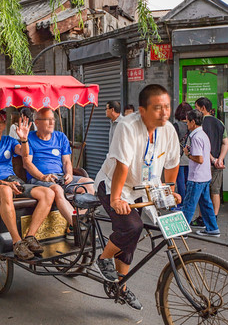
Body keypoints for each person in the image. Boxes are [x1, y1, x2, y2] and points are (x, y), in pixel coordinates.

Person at [93, 84, 181, 310]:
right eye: (157, 108)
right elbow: (122, 165)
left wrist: (170, 191)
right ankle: (103, 259)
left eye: (167, 107)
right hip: (115, 184)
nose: (164, 113)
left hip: (143, 187)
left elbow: (172, 163)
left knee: (130, 242)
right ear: (142, 111)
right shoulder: (127, 126)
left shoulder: (168, 130)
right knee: (132, 226)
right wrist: (115, 200)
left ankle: (120, 288)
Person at [0, 109, 55, 260]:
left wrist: (23, 139)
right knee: (6, 191)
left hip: (13, 180)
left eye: (1, 123)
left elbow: (24, 154)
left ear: (4, 125)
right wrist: (4, 183)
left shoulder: (9, 141)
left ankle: (30, 236)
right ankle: (17, 242)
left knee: (48, 193)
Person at [23, 108, 94, 238]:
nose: (52, 122)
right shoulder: (29, 139)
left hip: (60, 177)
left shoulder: (60, 137)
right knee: (56, 189)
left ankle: (76, 221)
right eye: (47, 120)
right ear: (37, 122)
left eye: (53, 119)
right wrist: (43, 176)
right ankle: (76, 224)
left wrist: (69, 174)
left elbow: (67, 161)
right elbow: (27, 164)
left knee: (89, 184)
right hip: (39, 179)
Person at [181, 110, 220, 237]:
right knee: (205, 203)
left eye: (187, 122)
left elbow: (199, 158)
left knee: (189, 204)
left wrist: (188, 154)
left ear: (193, 122)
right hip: (205, 175)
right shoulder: (203, 134)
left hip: (196, 176)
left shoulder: (196, 137)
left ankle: (183, 231)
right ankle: (212, 228)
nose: (187, 124)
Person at [193, 97, 228, 225]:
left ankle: (202, 218)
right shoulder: (220, 123)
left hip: (205, 163)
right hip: (217, 164)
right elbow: (226, 142)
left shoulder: (200, 123)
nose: (195, 110)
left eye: (196, 107)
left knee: (204, 191)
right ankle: (214, 217)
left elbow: (202, 146)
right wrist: (220, 159)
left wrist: (213, 159)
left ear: (203, 108)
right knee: (215, 191)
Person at [173, 102, 193, 211]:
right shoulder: (193, 125)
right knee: (188, 181)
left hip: (179, 156)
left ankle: (181, 204)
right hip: (190, 156)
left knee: (180, 181)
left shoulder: (176, 126)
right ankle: (188, 203)